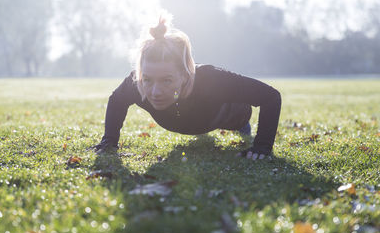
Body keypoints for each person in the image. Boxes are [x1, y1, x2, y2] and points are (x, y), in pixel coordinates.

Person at [92, 13, 281, 160]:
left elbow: (271, 97)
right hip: (183, 119)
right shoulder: (136, 82)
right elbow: (116, 100)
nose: (155, 92)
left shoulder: (211, 79)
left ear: (185, 75)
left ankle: (242, 126)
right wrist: (109, 141)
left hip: (228, 115)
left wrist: (262, 146)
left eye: (166, 80)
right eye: (148, 80)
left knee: (239, 120)